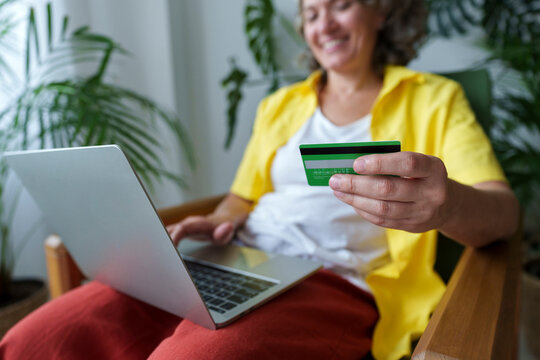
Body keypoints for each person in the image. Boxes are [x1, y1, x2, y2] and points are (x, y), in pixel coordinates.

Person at [0, 0, 519, 359]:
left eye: (340, 5)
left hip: (332, 279)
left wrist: (447, 205)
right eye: (311, 13)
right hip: (230, 259)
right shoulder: (279, 106)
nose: (324, 25)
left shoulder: (433, 98)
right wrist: (217, 222)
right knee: (40, 340)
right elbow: (242, 198)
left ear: (380, 11)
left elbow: (503, 211)